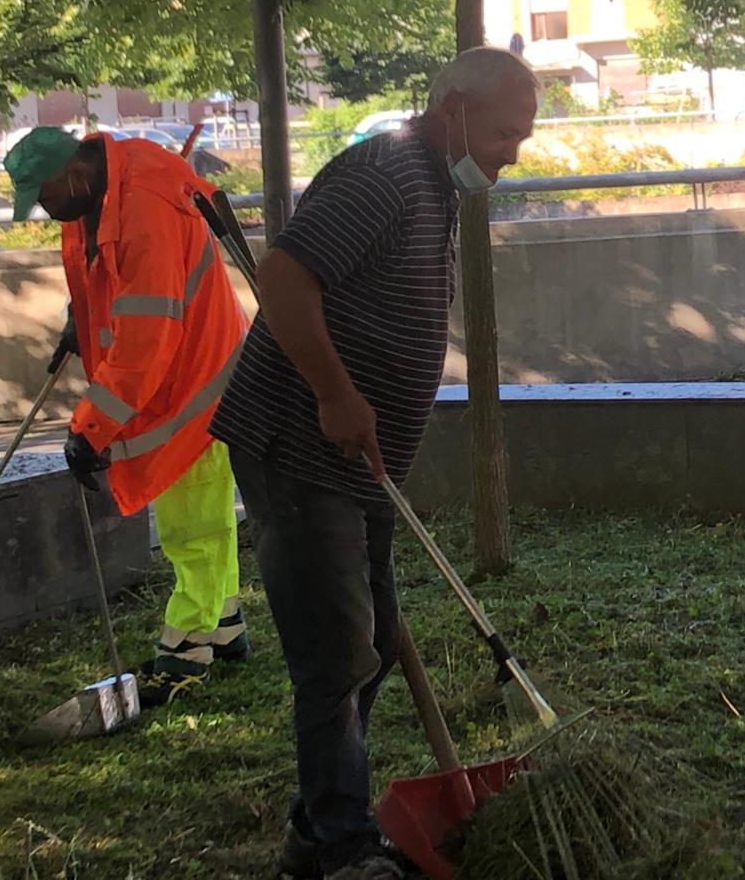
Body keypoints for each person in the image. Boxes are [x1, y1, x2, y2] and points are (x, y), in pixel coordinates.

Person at [210, 47, 540, 880]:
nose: (511, 152)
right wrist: (334, 394)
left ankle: (313, 830)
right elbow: (284, 277)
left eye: (520, 137)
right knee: (337, 656)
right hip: (298, 445)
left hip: (359, 461)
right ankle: (343, 847)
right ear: (454, 108)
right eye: (503, 133)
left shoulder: (433, 186)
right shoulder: (386, 173)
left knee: (375, 644)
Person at [3, 126, 250, 707]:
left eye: (44, 196)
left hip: (194, 378)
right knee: (202, 509)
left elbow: (145, 336)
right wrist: (82, 315)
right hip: (184, 369)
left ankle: (186, 649)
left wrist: (91, 428)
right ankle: (224, 625)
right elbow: (109, 274)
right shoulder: (101, 187)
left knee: (192, 524)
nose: (45, 210)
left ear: (73, 174)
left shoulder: (145, 210)